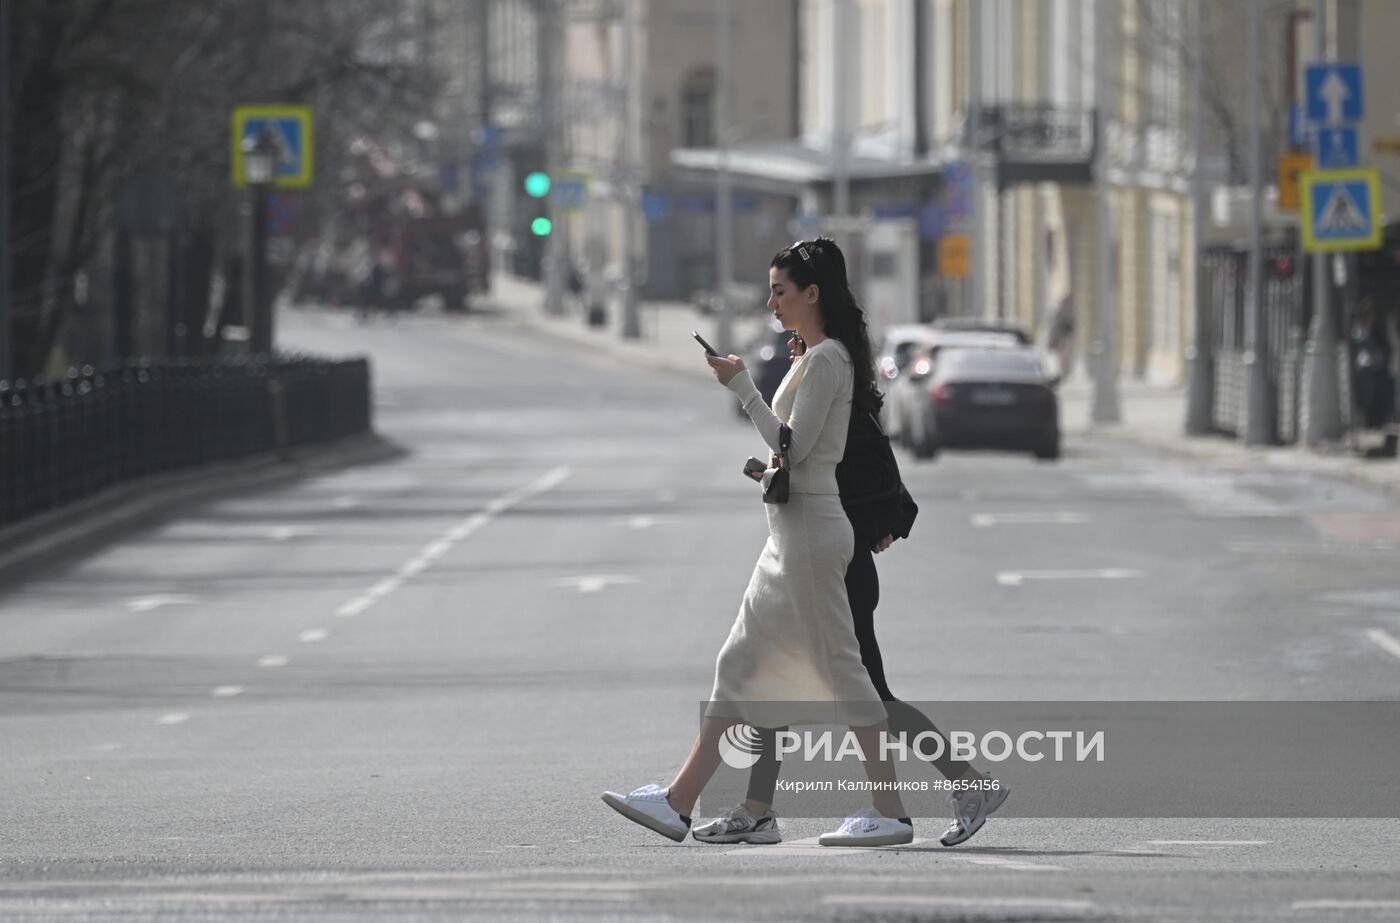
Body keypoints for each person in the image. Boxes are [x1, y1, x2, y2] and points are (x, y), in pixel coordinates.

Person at [602, 238, 915, 847]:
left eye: (780, 290)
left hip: (810, 533)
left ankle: (891, 813)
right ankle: (679, 801)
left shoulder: (828, 360)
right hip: (788, 533)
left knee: (847, 674)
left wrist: (743, 387)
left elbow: (795, 449)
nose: (771, 302)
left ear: (812, 293)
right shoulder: (812, 356)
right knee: (739, 664)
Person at [689, 334, 1009, 849]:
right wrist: (773, 476)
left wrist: (884, 523)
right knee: (773, 678)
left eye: (799, 339)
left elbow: (871, 473)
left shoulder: (834, 385)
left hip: (837, 563)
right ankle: (757, 809)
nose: (795, 349)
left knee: (870, 693)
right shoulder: (822, 382)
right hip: (820, 553)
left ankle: (968, 783)